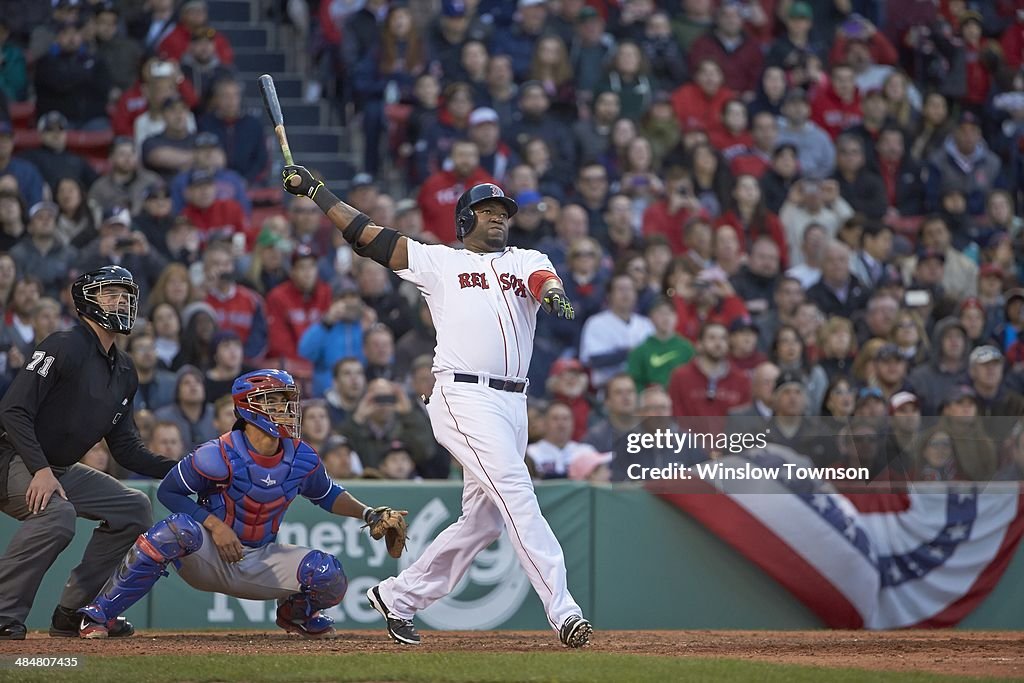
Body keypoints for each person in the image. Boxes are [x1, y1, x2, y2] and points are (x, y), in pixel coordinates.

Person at [280, 163, 591, 648]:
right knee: (516, 491)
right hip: (463, 394)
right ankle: (564, 610)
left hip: (514, 403)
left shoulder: (527, 256)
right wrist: (319, 192)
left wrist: (552, 294)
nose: (498, 218)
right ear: (465, 219)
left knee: (485, 520)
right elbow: (370, 238)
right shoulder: (441, 262)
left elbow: (543, 281)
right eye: (486, 211)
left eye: (502, 212)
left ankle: (398, 597)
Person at [77, 369, 406, 639]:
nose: (287, 409)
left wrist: (368, 512)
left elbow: (327, 494)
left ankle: (297, 616)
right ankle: (101, 613)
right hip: (206, 553)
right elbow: (169, 493)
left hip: (258, 557)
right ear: (249, 408)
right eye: (276, 401)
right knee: (175, 530)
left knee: (328, 573)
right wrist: (215, 526)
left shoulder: (302, 455)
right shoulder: (215, 453)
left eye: (288, 401)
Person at [0, 266, 177, 640]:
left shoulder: (126, 369)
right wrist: (41, 469)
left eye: (126, 295)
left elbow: (127, 450)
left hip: (56, 467)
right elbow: (12, 410)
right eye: (110, 294)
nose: (121, 301)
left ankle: (75, 611)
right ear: (85, 303)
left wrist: (187, 470)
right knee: (57, 514)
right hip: (11, 457)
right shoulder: (61, 345)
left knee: (133, 508)